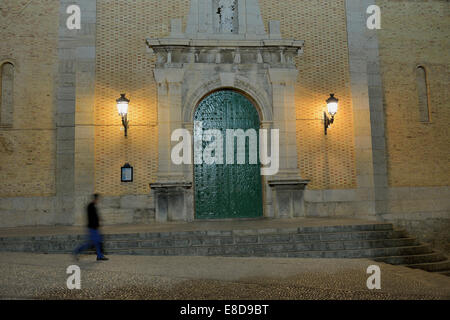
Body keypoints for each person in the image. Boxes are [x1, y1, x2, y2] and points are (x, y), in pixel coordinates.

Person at [73, 194, 109, 261]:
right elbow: (92, 218)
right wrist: (97, 224)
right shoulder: (90, 206)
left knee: (97, 242)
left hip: (94, 227)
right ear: (95, 199)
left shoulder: (92, 206)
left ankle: (99, 256)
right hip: (92, 228)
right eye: (97, 199)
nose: (98, 200)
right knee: (91, 244)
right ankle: (76, 251)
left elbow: (95, 217)